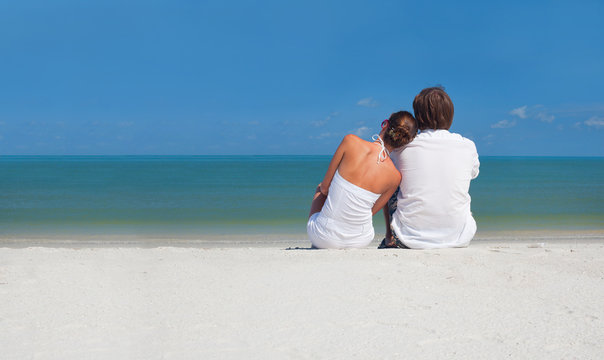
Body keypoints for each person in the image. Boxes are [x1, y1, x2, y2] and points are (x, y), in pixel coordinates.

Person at [380, 87, 480, 249]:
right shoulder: (467, 146)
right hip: (460, 236)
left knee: (389, 180)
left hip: (408, 237)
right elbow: (473, 173)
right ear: (450, 115)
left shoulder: (403, 148)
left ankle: (389, 237)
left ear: (417, 117)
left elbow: (383, 171)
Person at [307, 112, 417, 249]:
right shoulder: (395, 177)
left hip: (323, 237)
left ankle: (323, 236)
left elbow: (324, 189)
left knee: (320, 188)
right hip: (359, 240)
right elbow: (369, 212)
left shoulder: (350, 141)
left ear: (385, 125)